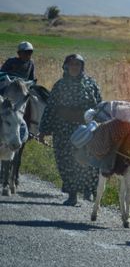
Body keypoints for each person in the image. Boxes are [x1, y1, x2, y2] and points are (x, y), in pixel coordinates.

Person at [39, 54, 102, 206]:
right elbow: (50, 108)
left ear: (82, 67)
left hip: (85, 129)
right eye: (72, 64)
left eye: (77, 64)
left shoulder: (90, 84)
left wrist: (102, 125)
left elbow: (99, 105)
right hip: (63, 129)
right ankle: (72, 195)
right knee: (66, 162)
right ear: (66, 66)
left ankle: (89, 189)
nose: (74, 67)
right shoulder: (59, 85)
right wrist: (44, 130)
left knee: (88, 160)